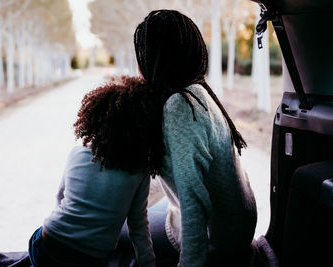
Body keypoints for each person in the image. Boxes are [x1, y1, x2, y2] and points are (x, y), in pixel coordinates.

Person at [133, 10, 258, 267]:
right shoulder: (198, 93)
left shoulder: (180, 106)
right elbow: (181, 180)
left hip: (220, 237)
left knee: (116, 227)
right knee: (140, 211)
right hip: (235, 226)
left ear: (152, 58)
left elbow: (194, 201)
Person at [28, 76, 160, 267]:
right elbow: (138, 225)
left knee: (38, 239)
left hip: (48, 245)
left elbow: (59, 196)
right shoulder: (139, 170)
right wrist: (148, 262)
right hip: (89, 258)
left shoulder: (78, 152)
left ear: (96, 118)